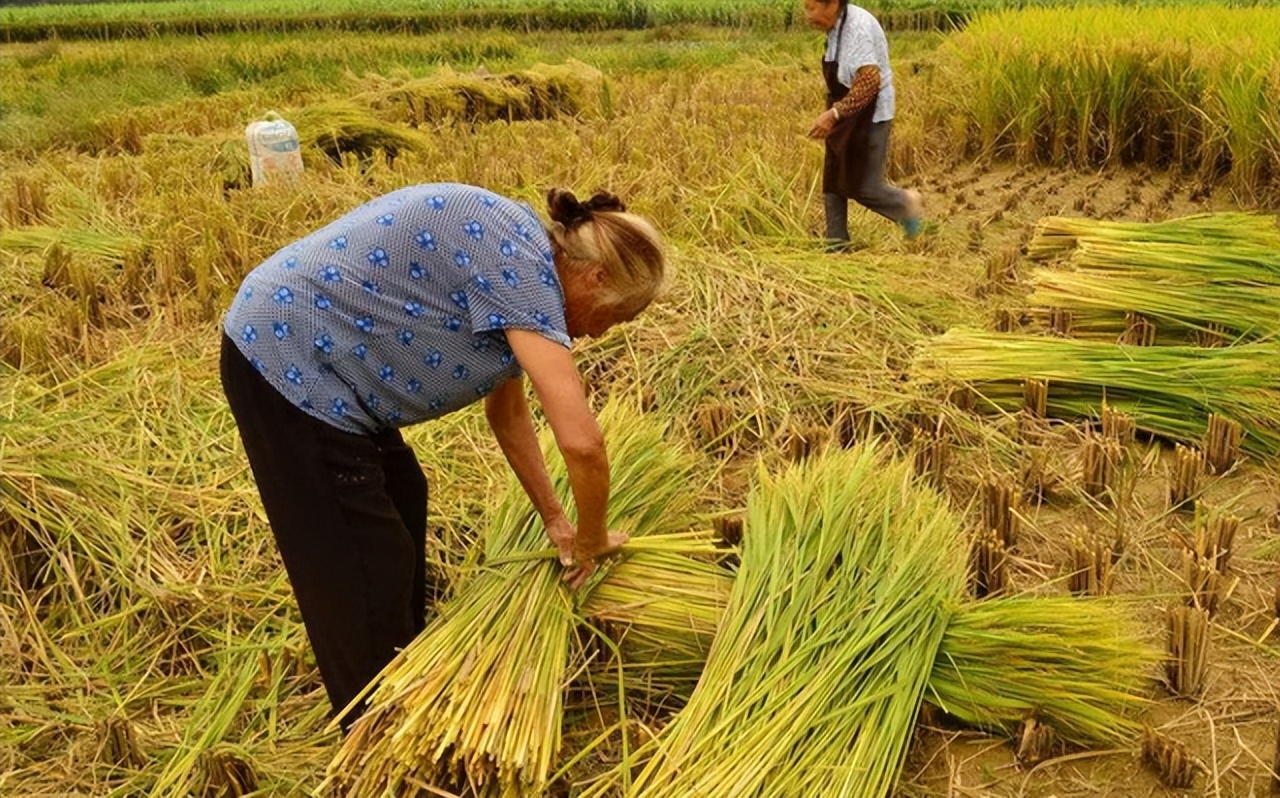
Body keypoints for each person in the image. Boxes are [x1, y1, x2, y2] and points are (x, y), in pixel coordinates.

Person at [219, 182, 665, 730]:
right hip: (287, 356)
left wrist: (556, 519)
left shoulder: (522, 277)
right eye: (614, 318)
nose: (599, 334)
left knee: (405, 496)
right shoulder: (522, 272)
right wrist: (593, 538)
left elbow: (508, 416)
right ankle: (374, 734)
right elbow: (583, 444)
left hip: (333, 373)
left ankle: (403, 674)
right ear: (594, 278)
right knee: (363, 561)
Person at [803, 0, 924, 247]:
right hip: (847, 109)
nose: (808, 16)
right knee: (834, 175)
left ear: (832, 4)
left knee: (863, 186)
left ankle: (906, 204)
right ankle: (836, 242)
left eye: (812, 8)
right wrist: (836, 112)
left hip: (870, 113)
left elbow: (869, 83)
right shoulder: (835, 26)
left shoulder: (858, 28)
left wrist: (834, 115)